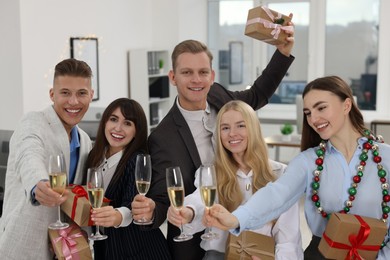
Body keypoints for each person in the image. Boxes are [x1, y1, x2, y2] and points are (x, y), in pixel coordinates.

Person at [132, 27, 295, 260]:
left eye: (203, 72)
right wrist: (150, 214)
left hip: (249, 237)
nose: (196, 80)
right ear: (173, 77)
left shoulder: (219, 95)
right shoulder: (161, 138)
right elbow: (162, 198)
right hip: (196, 243)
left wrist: (283, 53)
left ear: (212, 76)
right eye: (187, 72)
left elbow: (257, 95)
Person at [206, 76, 390, 259]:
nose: (314, 119)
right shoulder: (308, 161)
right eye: (308, 112)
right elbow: (277, 194)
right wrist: (237, 218)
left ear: (346, 105)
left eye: (321, 108)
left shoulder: (386, 157)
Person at [167, 100, 303, 259]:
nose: (232, 133)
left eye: (240, 125)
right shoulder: (211, 172)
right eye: (225, 128)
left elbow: (289, 238)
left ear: (253, 129)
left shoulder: (282, 174)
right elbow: (200, 200)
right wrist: (188, 211)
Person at [0, 58, 94, 259]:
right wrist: (38, 184)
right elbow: (29, 154)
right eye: (65, 93)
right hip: (25, 247)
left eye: (81, 93)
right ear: (52, 94)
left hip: (64, 248)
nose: (74, 101)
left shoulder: (85, 140)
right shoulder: (33, 122)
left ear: (91, 96)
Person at [86, 98, 171, 259]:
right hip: (105, 248)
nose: (118, 128)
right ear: (104, 122)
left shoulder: (136, 159)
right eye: (113, 119)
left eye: (127, 123)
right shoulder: (94, 156)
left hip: (140, 251)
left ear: (136, 131)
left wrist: (117, 216)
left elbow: (131, 204)